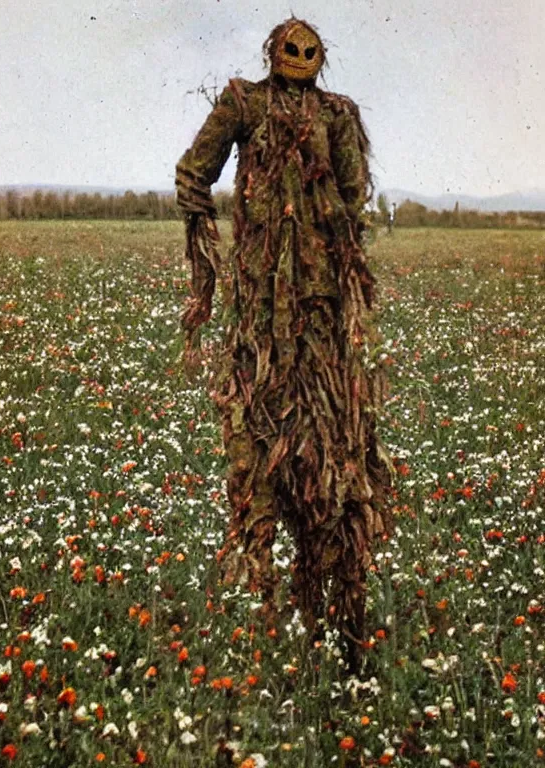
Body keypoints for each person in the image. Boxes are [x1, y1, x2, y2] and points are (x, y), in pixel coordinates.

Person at [175, 17, 392, 670]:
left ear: (321, 57)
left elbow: (353, 198)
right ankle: (263, 607)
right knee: (259, 446)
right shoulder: (243, 101)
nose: (299, 57)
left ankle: (330, 601)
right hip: (261, 322)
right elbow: (193, 174)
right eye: (289, 49)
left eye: (310, 50)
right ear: (272, 53)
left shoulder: (338, 113)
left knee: (331, 451)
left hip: (322, 323)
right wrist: (210, 269)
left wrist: (330, 256)